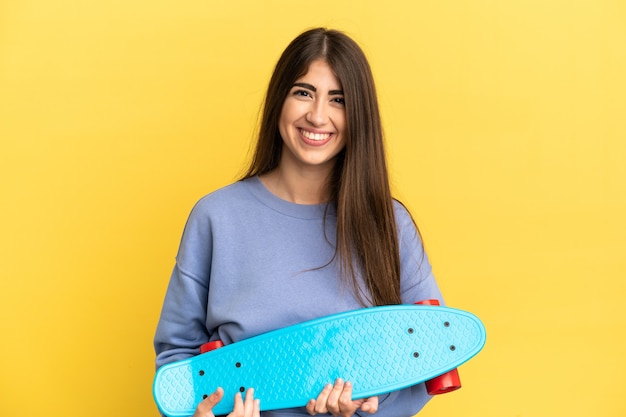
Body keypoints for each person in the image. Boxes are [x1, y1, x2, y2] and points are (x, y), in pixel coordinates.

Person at [154, 27, 444, 417]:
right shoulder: (216, 216)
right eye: (303, 92)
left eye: (337, 99)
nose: (317, 115)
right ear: (279, 100)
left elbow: (431, 357)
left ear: (358, 114)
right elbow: (177, 358)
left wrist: (370, 405)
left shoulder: (388, 224)